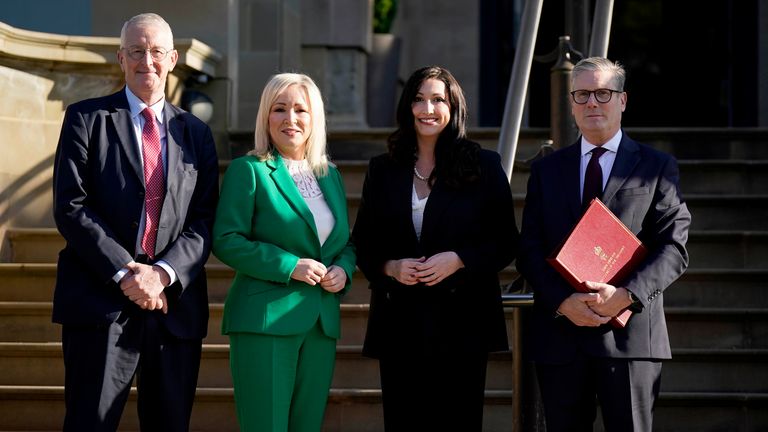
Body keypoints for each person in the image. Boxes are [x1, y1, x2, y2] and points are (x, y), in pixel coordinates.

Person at [51, 12, 219, 432]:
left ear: (174, 58)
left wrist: (161, 275)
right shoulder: (85, 119)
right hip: (99, 301)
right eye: (137, 51)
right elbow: (71, 205)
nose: (148, 60)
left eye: (157, 51)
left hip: (172, 307)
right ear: (120, 58)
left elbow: (204, 218)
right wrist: (128, 272)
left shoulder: (196, 133)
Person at [517, 57, 691, 431]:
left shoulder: (656, 166)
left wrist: (626, 295)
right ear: (571, 103)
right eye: (581, 94)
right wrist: (563, 302)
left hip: (630, 339)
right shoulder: (547, 170)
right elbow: (529, 247)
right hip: (561, 338)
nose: (592, 102)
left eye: (602, 93)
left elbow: (674, 246)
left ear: (622, 100)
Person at [352, 66, 519, 431]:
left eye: (437, 99)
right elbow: (363, 241)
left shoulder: (484, 164)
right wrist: (390, 267)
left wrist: (460, 259)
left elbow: (506, 240)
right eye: (418, 99)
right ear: (407, 106)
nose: (427, 108)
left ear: (453, 106)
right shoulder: (382, 169)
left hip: (463, 321)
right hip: (400, 322)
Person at [212, 72, 356, 432]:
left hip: (321, 320)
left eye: (300, 110)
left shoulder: (330, 175)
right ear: (266, 117)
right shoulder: (250, 170)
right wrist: (289, 265)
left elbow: (345, 242)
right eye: (279, 109)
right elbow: (226, 239)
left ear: (314, 118)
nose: (290, 119)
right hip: (265, 319)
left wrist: (344, 270)